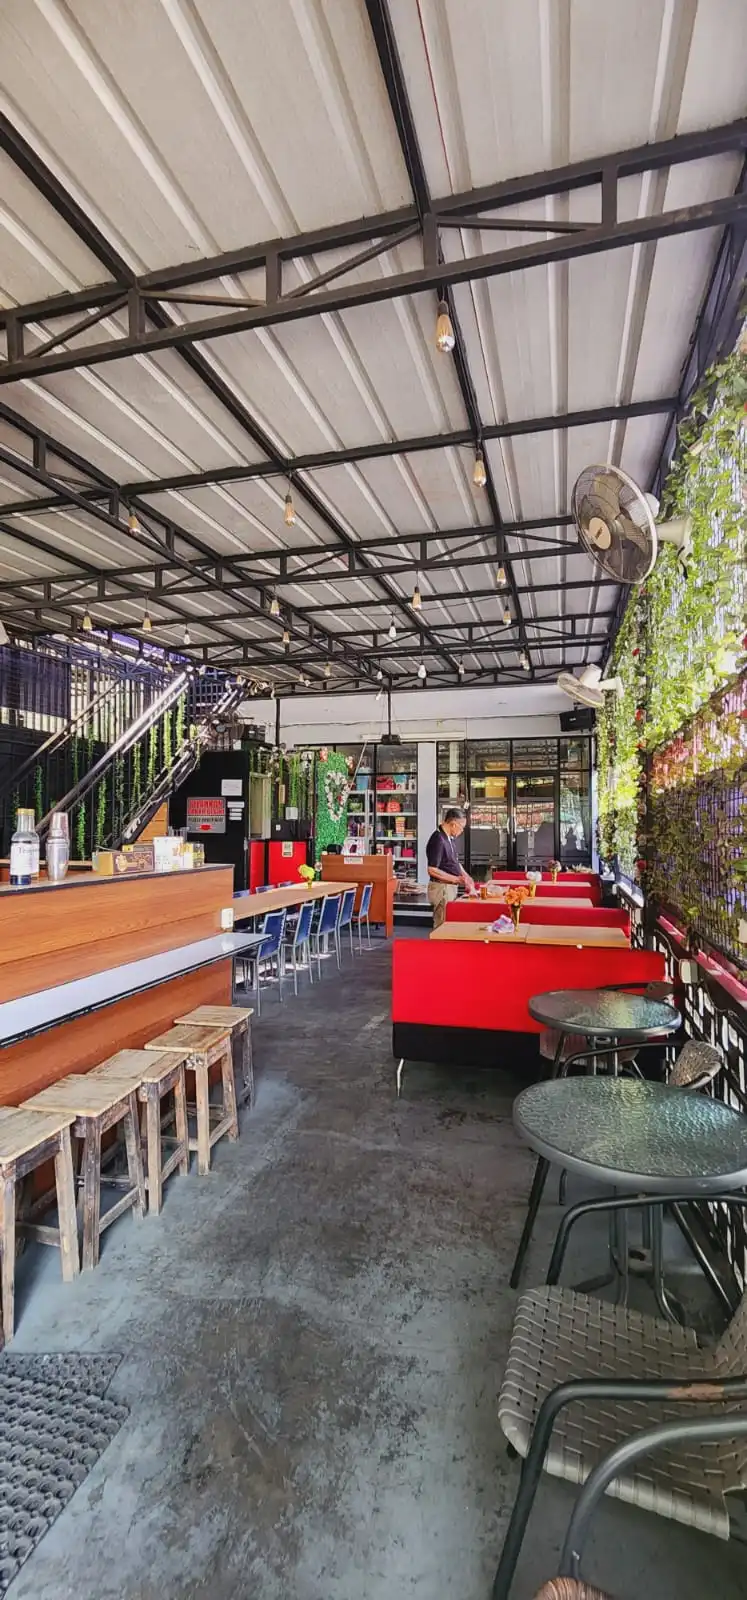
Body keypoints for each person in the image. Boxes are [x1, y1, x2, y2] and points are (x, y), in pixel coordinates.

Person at [425, 807, 476, 929]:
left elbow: (454, 861)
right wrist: (457, 879)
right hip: (441, 888)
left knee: (447, 922)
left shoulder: (449, 838)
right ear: (453, 824)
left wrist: (466, 876)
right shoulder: (438, 839)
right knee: (441, 924)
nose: (462, 831)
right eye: (461, 827)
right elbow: (432, 870)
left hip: (449, 887)